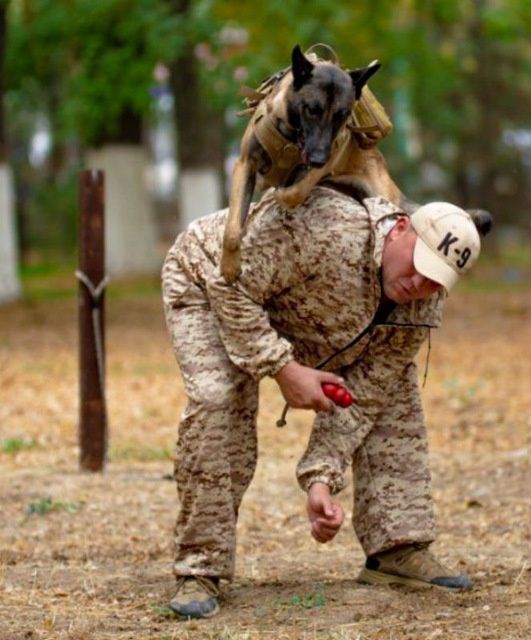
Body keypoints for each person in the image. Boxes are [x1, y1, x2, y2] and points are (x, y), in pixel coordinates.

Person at [161, 185, 483, 619]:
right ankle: (200, 568)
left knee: (394, 395)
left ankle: (397, 549)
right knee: (219, 398)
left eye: (435, 281)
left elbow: (363, 398)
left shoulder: (419, 306)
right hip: (212, 277)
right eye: (419, 265)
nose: (419, 285)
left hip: (297, 308)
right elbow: (228, 280)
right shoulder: (331, 230)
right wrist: (282, 369)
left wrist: (321, 481)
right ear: (401, 228)